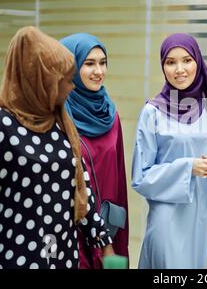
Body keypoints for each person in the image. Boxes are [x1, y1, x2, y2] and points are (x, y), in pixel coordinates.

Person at [0, 26, 114, 269]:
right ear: (38, 79)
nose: (70, 87)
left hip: (61, 255)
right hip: (16, 258)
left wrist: (104, 241)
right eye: (63, 80)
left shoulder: (60, 123)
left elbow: (82, 188)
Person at [132, 33, 207, 268]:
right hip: (167, 219)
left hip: (200, 219)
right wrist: (189, 168)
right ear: (163, 66)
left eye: (187, 60)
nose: (179, 69)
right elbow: (141, 176)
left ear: (198, 62)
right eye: (171, 62)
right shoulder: (152, 112)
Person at [60, 33, 129, 269]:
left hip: (109, 227)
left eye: (103, 62)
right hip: (71, 231)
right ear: (70, 67)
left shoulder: (111, 115)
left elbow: (119, 178)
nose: (98, 71)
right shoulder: (57, 117)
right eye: (89, 64)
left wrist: (115, 235)